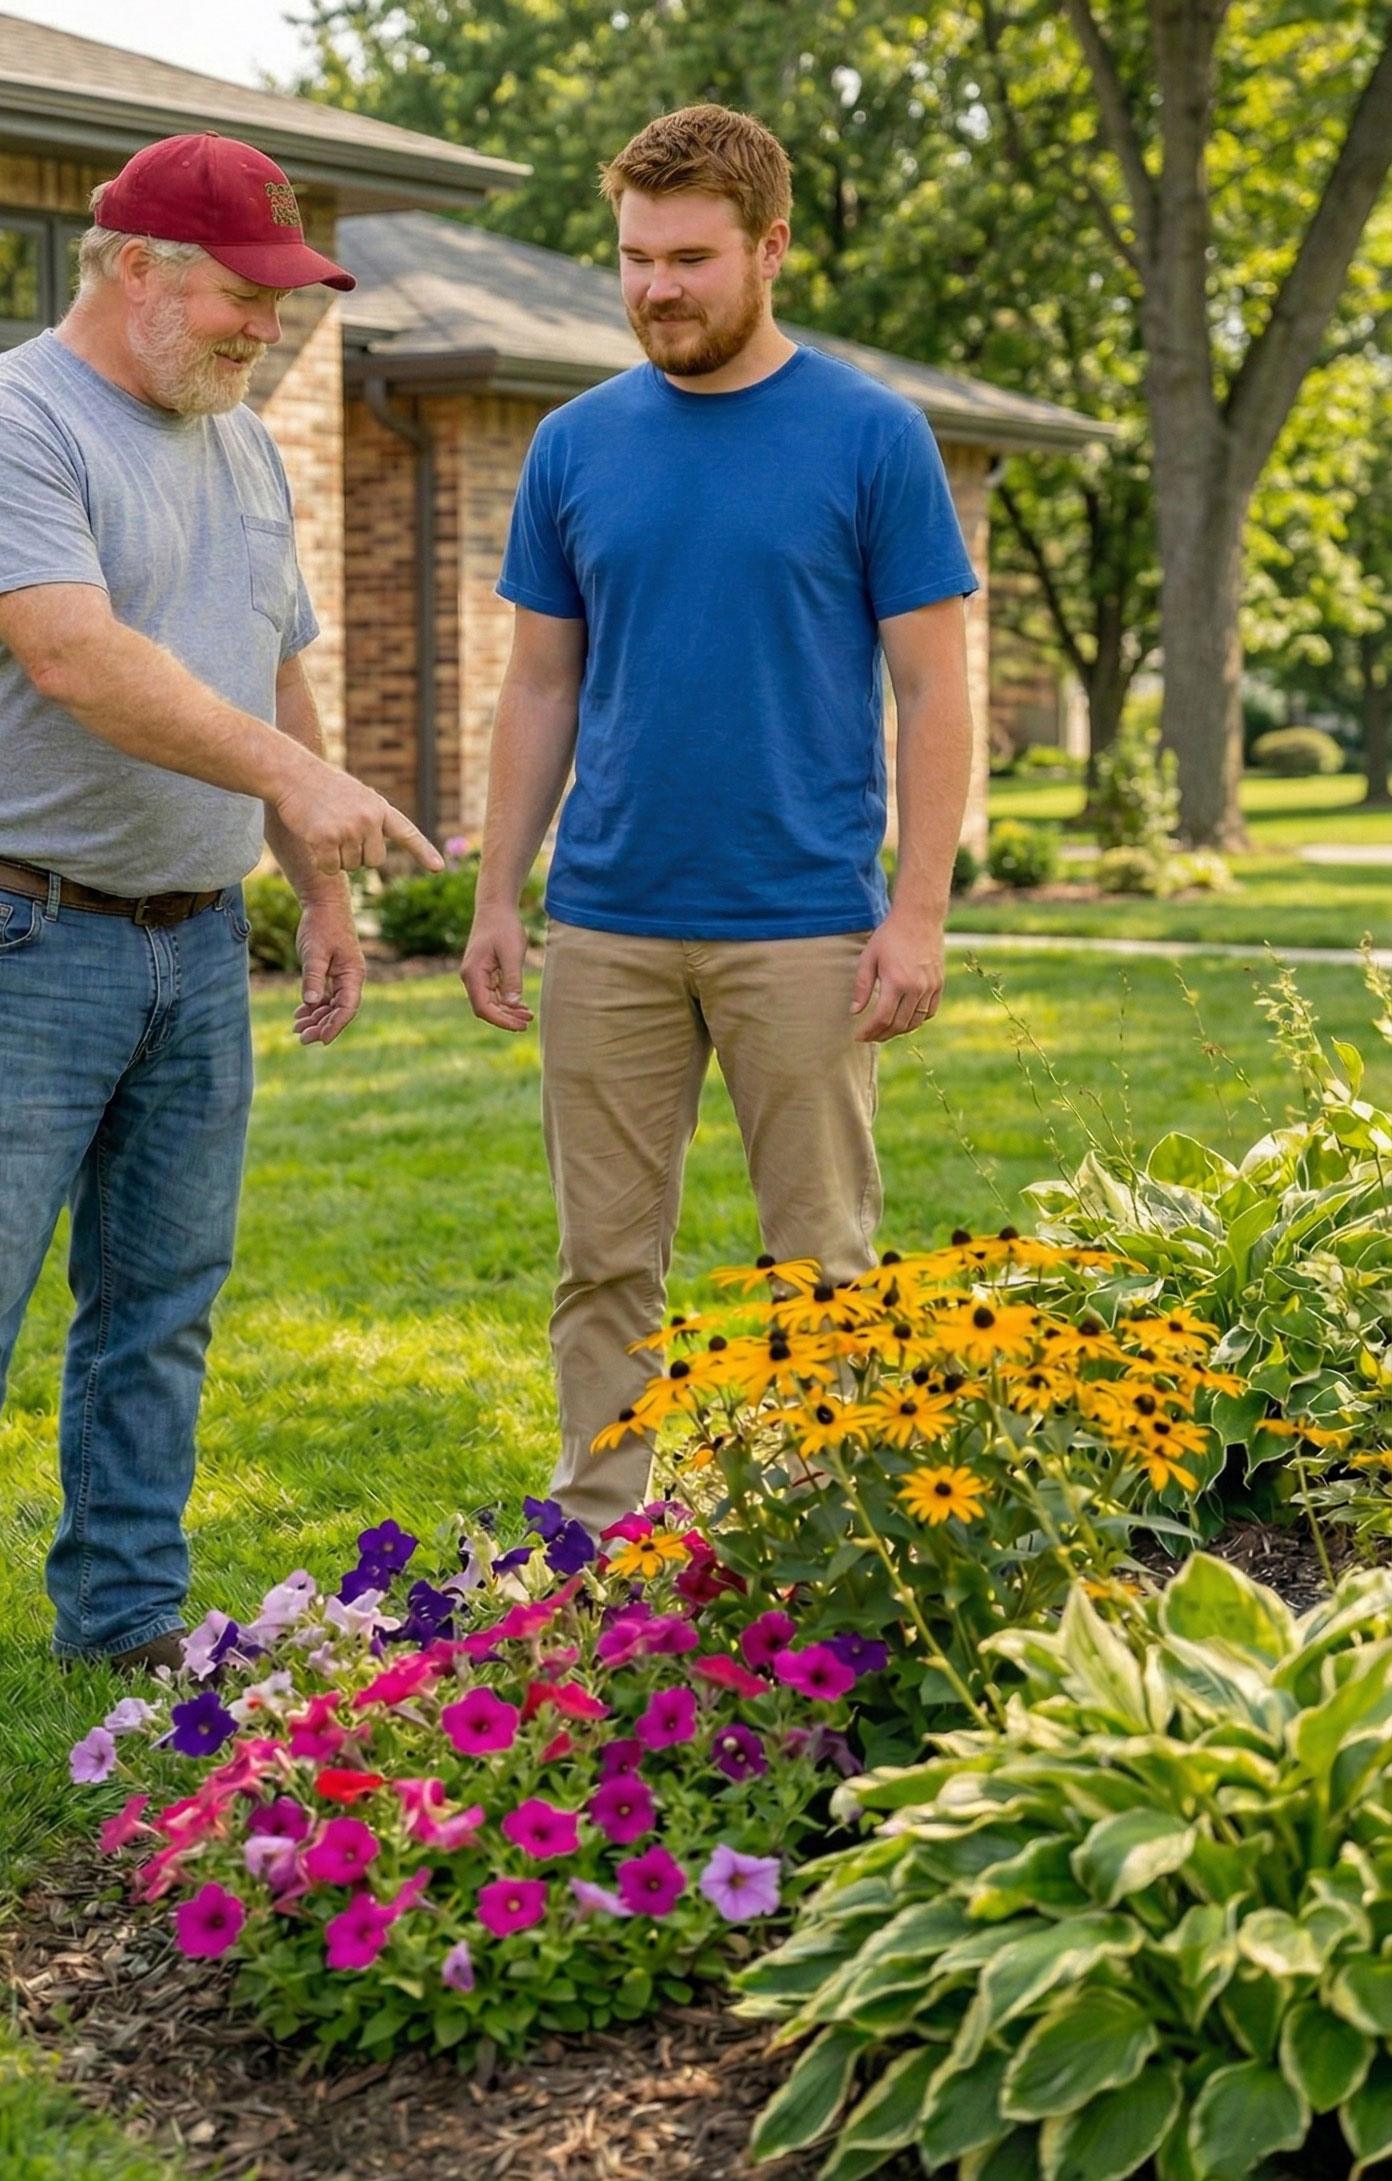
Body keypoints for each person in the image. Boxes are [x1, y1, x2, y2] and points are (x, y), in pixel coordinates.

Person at [0, 133, 439, 1745]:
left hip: (191, 941)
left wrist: (312, 879)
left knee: (161, 1301)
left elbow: (271, 658)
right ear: (139, 272)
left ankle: (123, 1621)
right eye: (247, 296)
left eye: (282, 299)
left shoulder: (238, 441)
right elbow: (77, 661)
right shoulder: (2, 425)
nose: (268, 329)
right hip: (4, 931)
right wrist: (302, 785)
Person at [460, 105, 976, 1532]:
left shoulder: (873, 435)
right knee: (601, 1264)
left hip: (806, 923)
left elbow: (937, 691)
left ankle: (834, 1538)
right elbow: (540, 687)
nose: (656, 290)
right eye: (633, 259)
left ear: (771, 250)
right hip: (611, 922)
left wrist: (918, 910)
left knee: (822, 1261)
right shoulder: (572, 446)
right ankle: (596, 1546)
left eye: (689, 258)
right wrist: (500, 894)